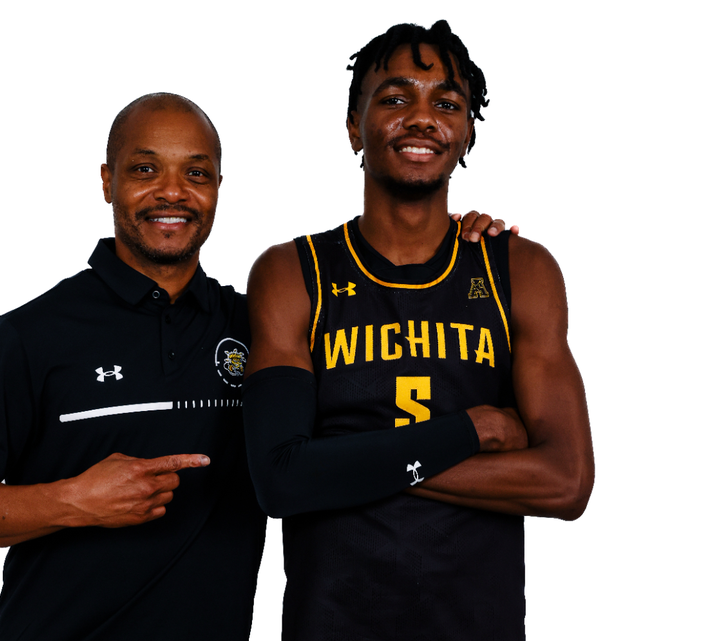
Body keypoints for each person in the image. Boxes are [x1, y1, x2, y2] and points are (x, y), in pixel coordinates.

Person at [0, 92, 510, 640]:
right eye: (145, 169)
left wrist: (451, 245)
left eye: (195, 174)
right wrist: (73, 501)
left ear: (219, 187)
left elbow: (370, 380)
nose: (172, 192)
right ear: (107, 181)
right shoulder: (36, 332)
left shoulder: (259, 327)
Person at [242, 20, 594, 641]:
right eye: (396, 98)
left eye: (447, 103)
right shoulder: (292, 273)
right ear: (355, 126)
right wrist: (470, 434)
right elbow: (281, 481)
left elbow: (565, 482)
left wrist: (351, 465)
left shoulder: (521, 268)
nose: (422, 118)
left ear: (466, 133)